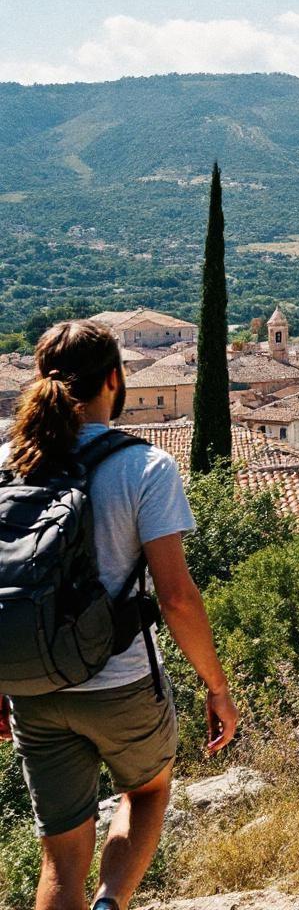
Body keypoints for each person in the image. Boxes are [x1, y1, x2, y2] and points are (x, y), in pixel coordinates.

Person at [0, 320, 239, 910]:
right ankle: (112, 902)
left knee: (59, 857)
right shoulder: (145, 468)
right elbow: (178, 597)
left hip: (28, 685)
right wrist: (217, 687)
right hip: (121, 682)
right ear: (115, 378)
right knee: (149, 789)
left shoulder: (6, 463)